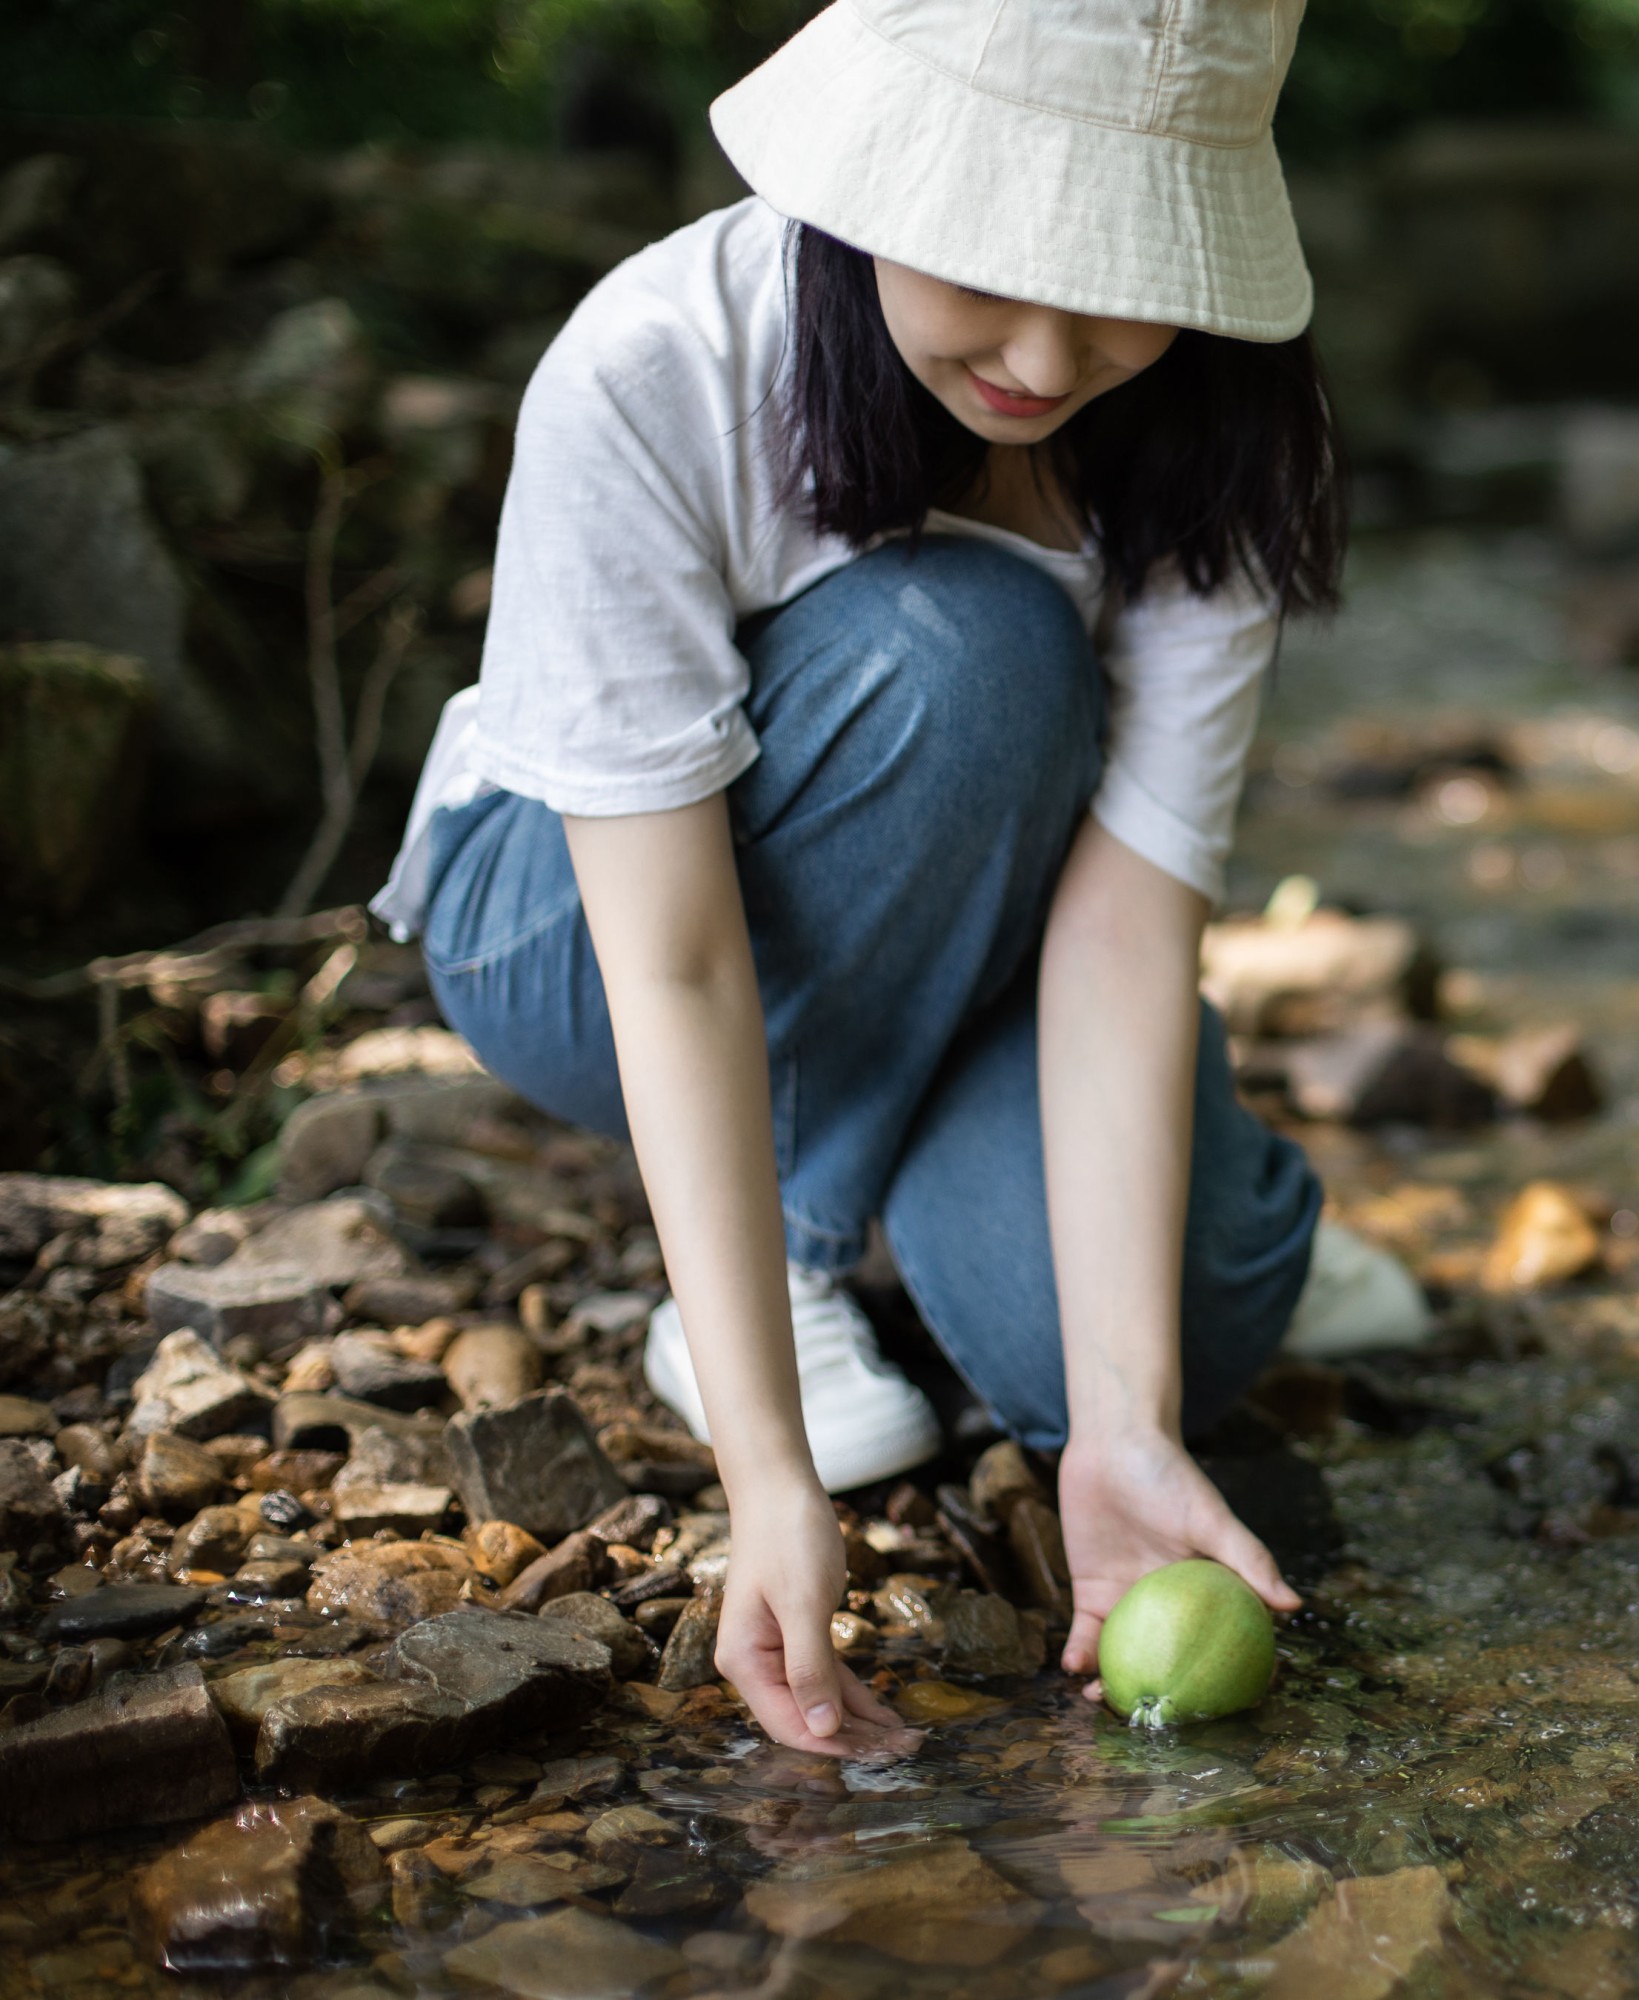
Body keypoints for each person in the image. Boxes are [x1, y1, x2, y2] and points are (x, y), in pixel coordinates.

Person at [369, 0, 1426, 1755]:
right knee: (979, 655)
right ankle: (781, 1264)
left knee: (1165, 1342)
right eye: (996, 258)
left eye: (1115, 277)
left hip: (983, 934)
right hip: (575, 920)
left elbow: (1120, 932)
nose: (1044, 350)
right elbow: (682, 962)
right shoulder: (655, 365)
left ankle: (1108, 1245)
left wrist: (1124, 1425)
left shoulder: (1216, 441)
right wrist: (764, 1464)